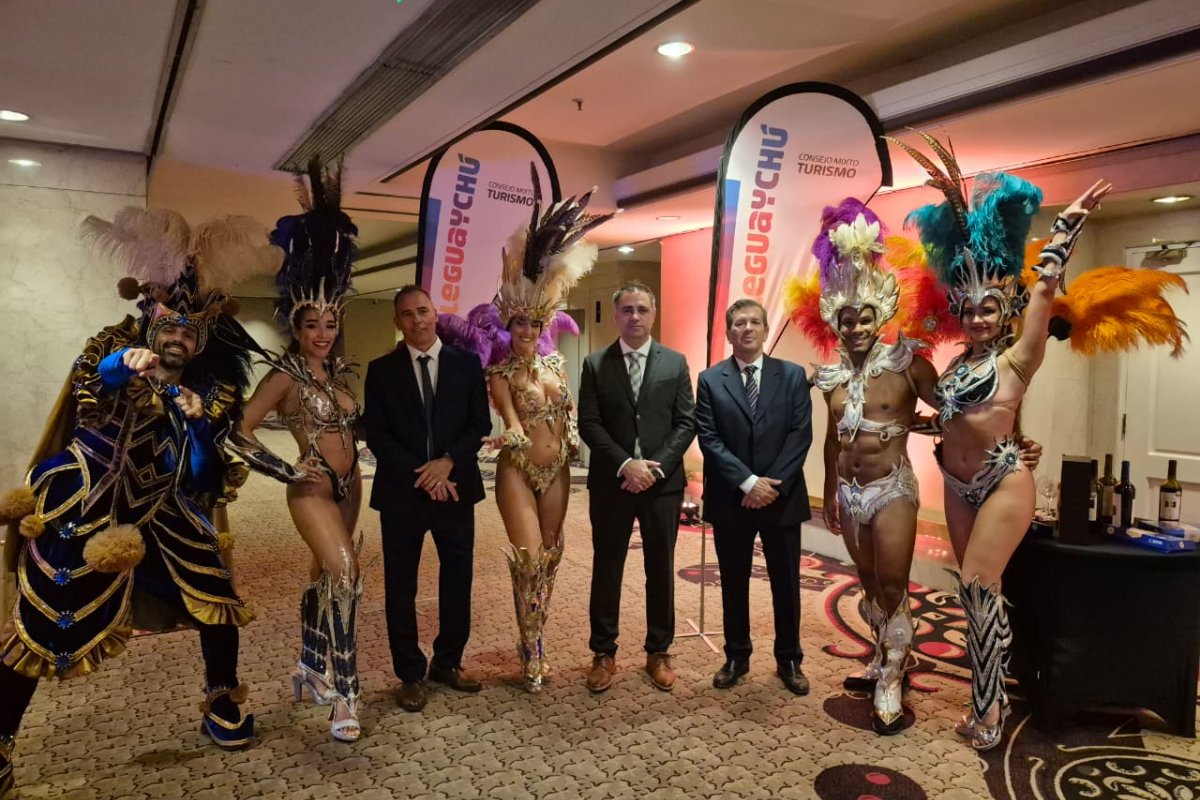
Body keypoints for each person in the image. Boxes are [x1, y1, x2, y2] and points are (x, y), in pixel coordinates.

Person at [0, 208, 279, 795]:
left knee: (215, 593)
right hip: (89, 495)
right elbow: (92, 392)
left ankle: (221, 698)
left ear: (202, 338)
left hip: (164, 503)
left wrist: (198, 424)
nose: (178, 339)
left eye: (189, 333)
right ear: (151, 320)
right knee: (42, 617)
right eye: (170, 327)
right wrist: (120, 367)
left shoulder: (213, 385)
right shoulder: (111, 347)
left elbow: (203, 476)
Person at [894, 131, 1112, 750]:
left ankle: (989, 709)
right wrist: (924, 423)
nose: (978, 318)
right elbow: (955, 415)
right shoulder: (957, 365)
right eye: (970, 310)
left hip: (1001, 482)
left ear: (1003, 310)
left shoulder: (1018, 358)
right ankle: (985, 693)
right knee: (975, 594)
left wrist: (1064, 229)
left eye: (988, 308)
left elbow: (1043, 292)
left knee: (977, 586)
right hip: (956, 484)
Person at [437, 185, 612, 691]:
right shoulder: (500, 372)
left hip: (557, 470)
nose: (528, 332)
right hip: (518, 469)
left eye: (535, 324)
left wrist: (573, 436)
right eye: (519, 325)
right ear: (508, 326)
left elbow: (568, 413)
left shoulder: (557, 365)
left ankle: (534, 638)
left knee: (552, 554)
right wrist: (511, 433)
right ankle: (531, 648)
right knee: (529, 559)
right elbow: (510, 418)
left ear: (543, 324)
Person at [227, 162, 366, 741]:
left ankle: (310, 664)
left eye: (330, 323)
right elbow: (237, 430)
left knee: (323, 575)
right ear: (296, 324)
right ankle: (346, 693)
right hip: (309, 490)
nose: (323, 333)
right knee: (347, 575)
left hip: (351, 486)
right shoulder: (284, 374)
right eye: (313, 324)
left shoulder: (339, 374)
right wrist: (285, 468)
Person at [364, 285, 491, 712]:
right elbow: (377, 434)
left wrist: (448, 463)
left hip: (455, 489)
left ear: (435, 313)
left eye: (422, 310)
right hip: (402, 493)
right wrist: (424, 474)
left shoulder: (466, 364)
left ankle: (448, 662)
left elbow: (479, 424)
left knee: (458, 578)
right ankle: (410, 674)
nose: (416, 320)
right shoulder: (381, 370)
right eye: (407, 314)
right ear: (397, 321)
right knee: (401, 586)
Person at [578, 281, 696, 693]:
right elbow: (589, 423)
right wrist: (626, 464)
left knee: (660, 568)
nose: (635, 316)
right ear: (616, 315)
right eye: (627, 310)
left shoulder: (675, 363)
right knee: (607, 567)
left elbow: (686, 422)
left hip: (661, 486)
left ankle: (658, 651)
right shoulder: (595, 363)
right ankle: (603, 651)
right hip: (612, 483)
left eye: (642, 309)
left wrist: (654, 468)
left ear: (653, 314)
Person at [695, 299, 813, 696]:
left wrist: (769, 486)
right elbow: (709, 437)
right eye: (738, 323)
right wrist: (747, 483)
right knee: (732, 580)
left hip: (781, 497)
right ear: (729, 333)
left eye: (754, 322)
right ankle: (736, 655)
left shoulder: (793, 375)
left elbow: (800, 433)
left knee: (786, 582)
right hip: (732, 498)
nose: (746, 328)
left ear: (765, 329)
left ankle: (789, 659)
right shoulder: (710, 379)